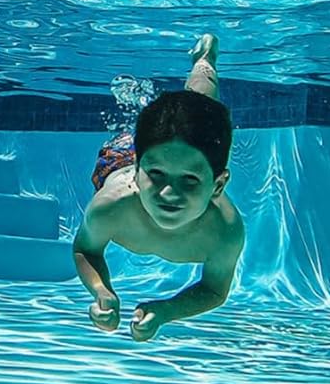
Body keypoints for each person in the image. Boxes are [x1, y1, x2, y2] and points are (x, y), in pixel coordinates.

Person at [74, 34, 245, 342]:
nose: (168, 194)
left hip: (159, 155)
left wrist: (167, 310)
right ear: (138, 172)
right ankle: (201, 67)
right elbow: (85, 249)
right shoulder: (110, 206)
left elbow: (214, 289)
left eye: (190, 180)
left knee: (202, 112)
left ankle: (204, 63)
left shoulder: (225, 231)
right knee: (193, 118)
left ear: (218, 186)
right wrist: (101, 291)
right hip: (120, 158)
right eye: (155, 176)